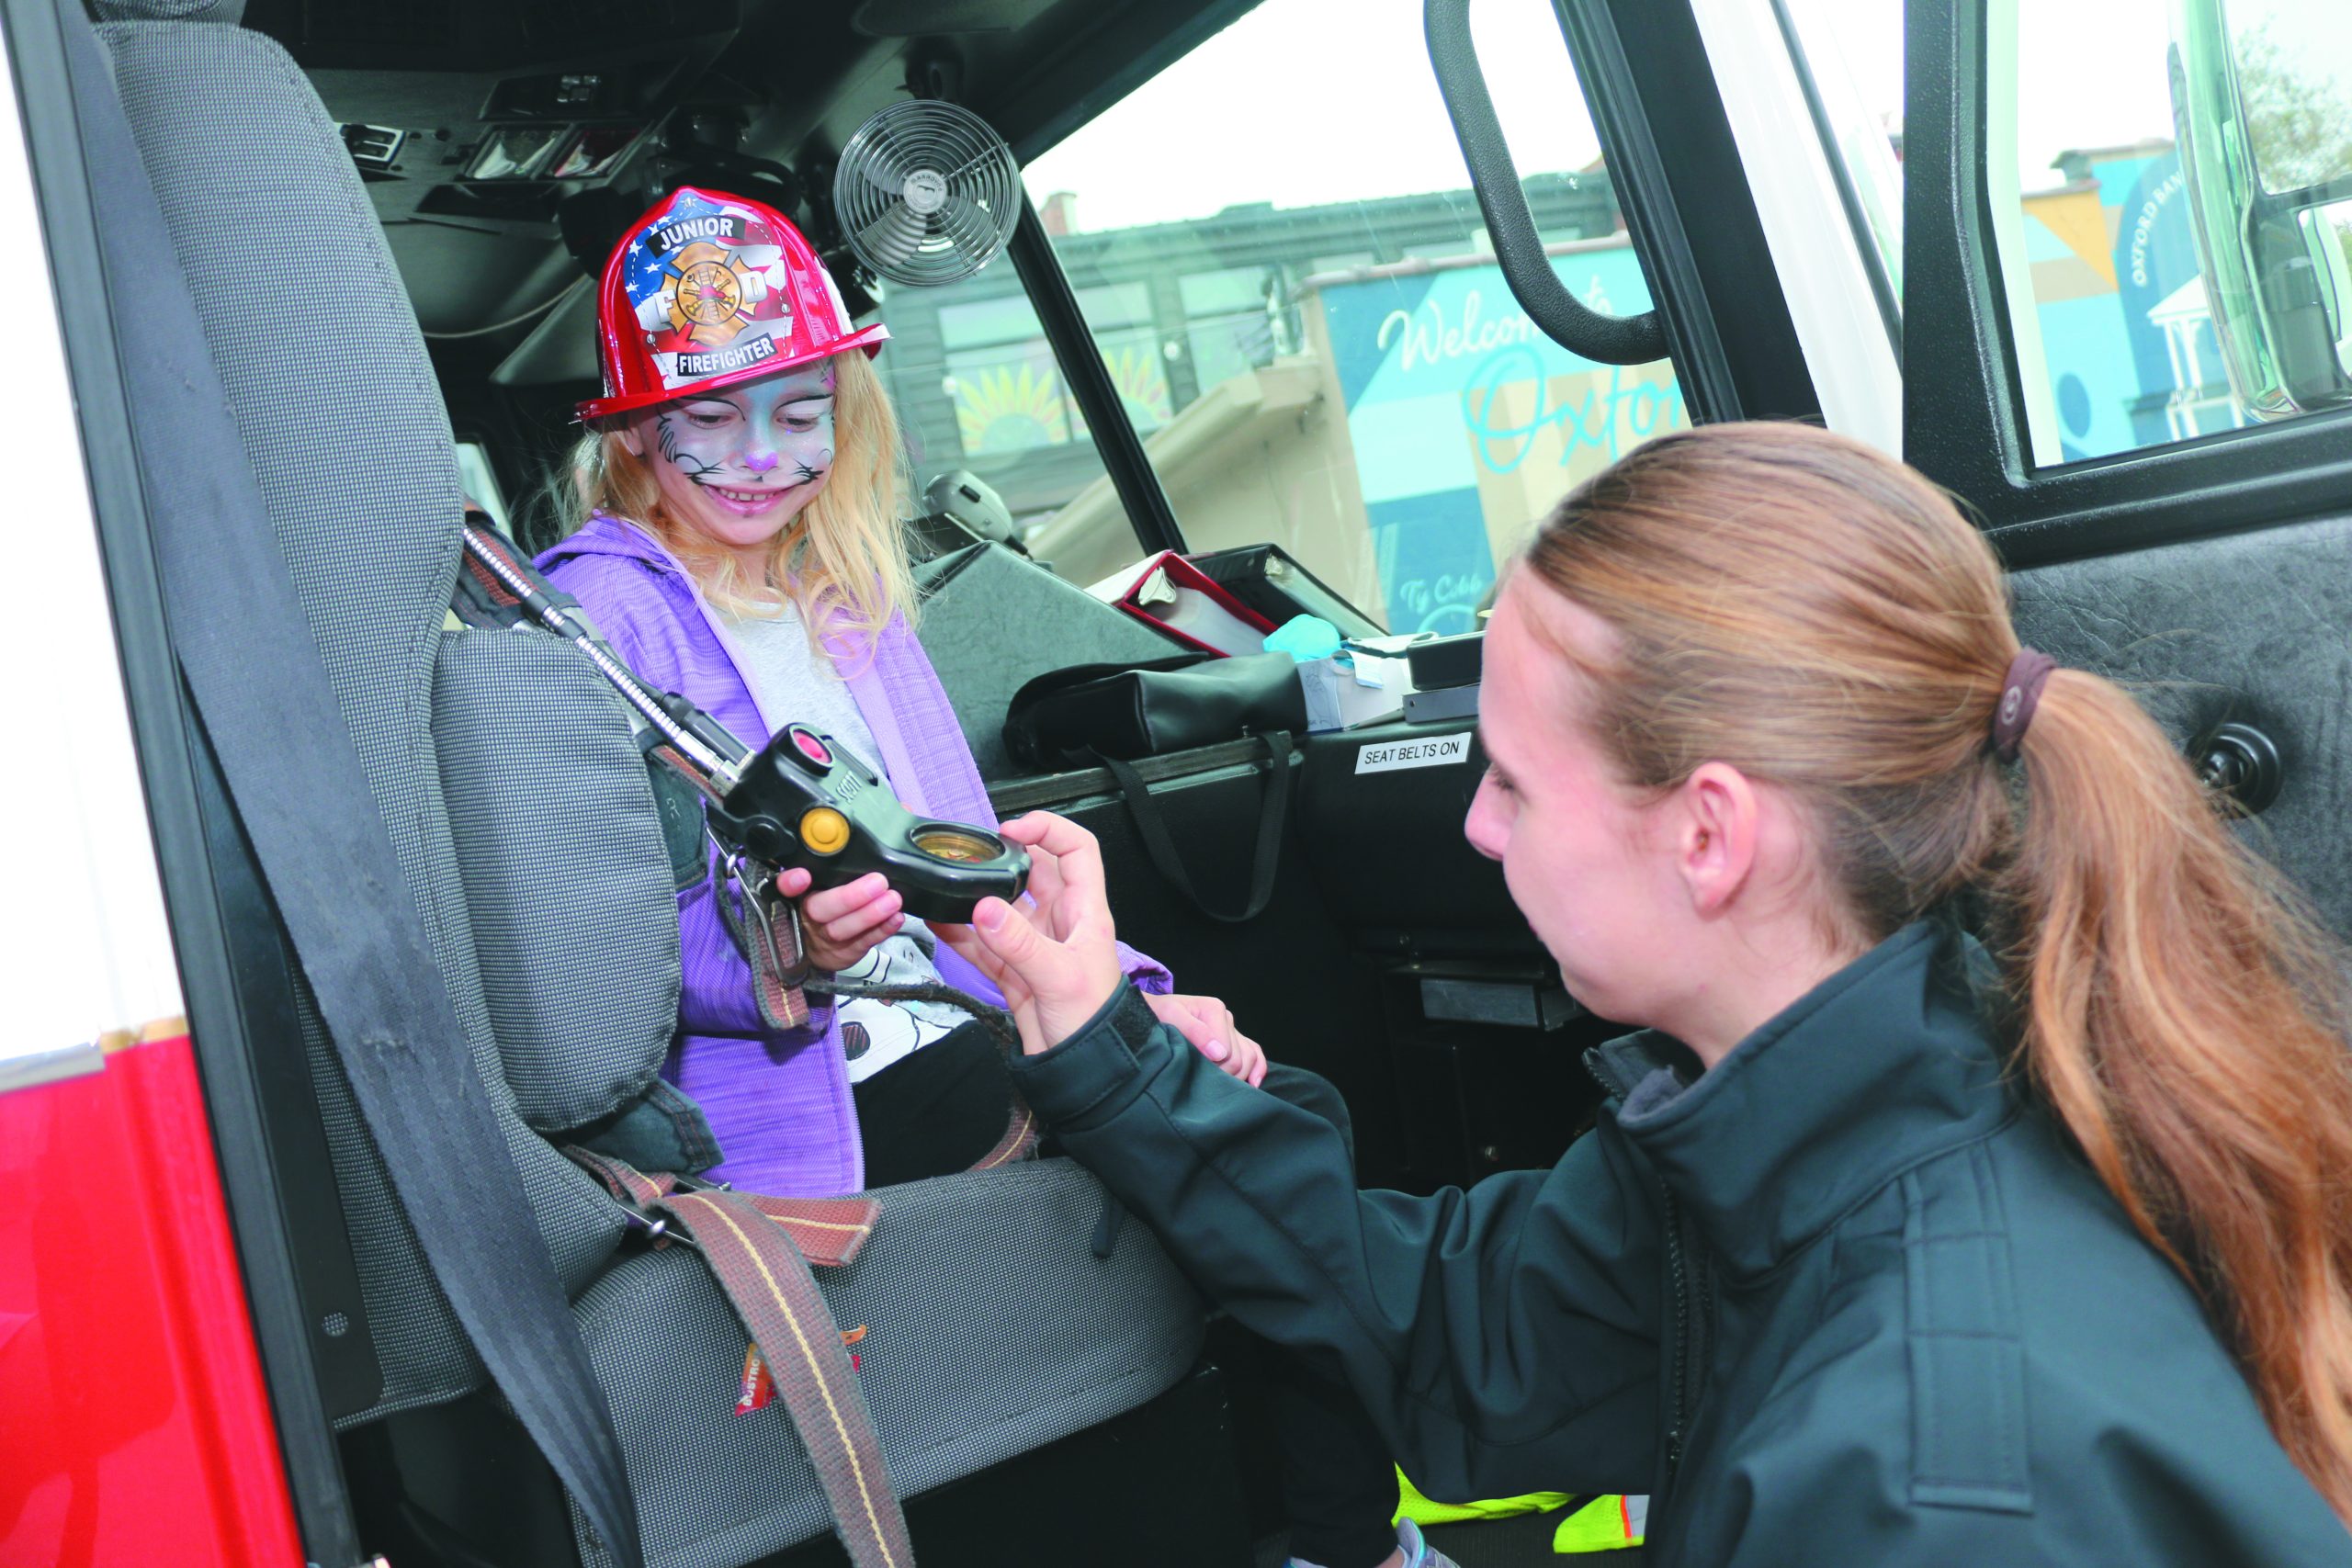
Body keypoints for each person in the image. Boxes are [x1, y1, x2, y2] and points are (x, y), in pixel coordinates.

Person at [944, 422, 2352, 1565]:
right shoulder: (1821, 1122)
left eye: (1510, 779)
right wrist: (1106, 1044)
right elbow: (1451, 1328)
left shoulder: (1930, 1485)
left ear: (1710, 834)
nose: (1481, 831)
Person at [542, 186, 1444, 1568]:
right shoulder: (600, 614)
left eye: (796, 411)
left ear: (847, 409)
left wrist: (1141, 1001)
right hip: (801, 1086)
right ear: (632, 435)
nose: (756, 457)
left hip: (953, 1023)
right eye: (705, 419)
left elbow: (960, 862)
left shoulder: (847, 594)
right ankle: (1351, 1543)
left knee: (1272, 1095)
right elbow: (607, 951)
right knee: (1266, 1141)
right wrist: (791, 962)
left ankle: (1324, 1532)